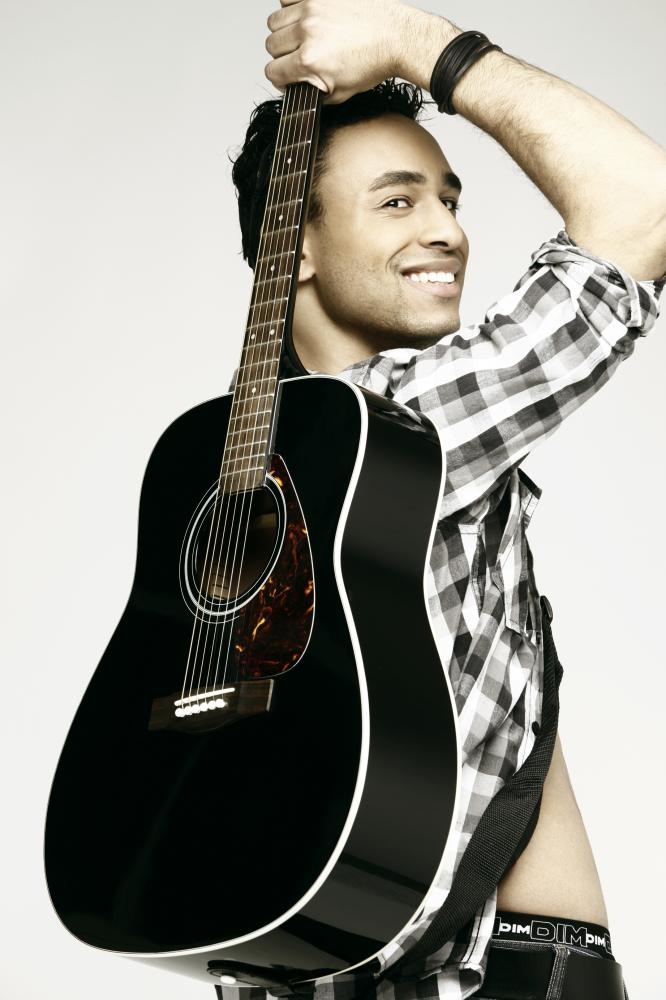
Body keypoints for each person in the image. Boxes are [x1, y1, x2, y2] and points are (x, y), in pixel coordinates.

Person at [224, 2, 666, 998]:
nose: (450, 232)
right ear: (292, 247)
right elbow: (644, 201)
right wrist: (419, 42)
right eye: (398, 201)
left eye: (450, 200)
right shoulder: (406, 426)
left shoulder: (226, 473)